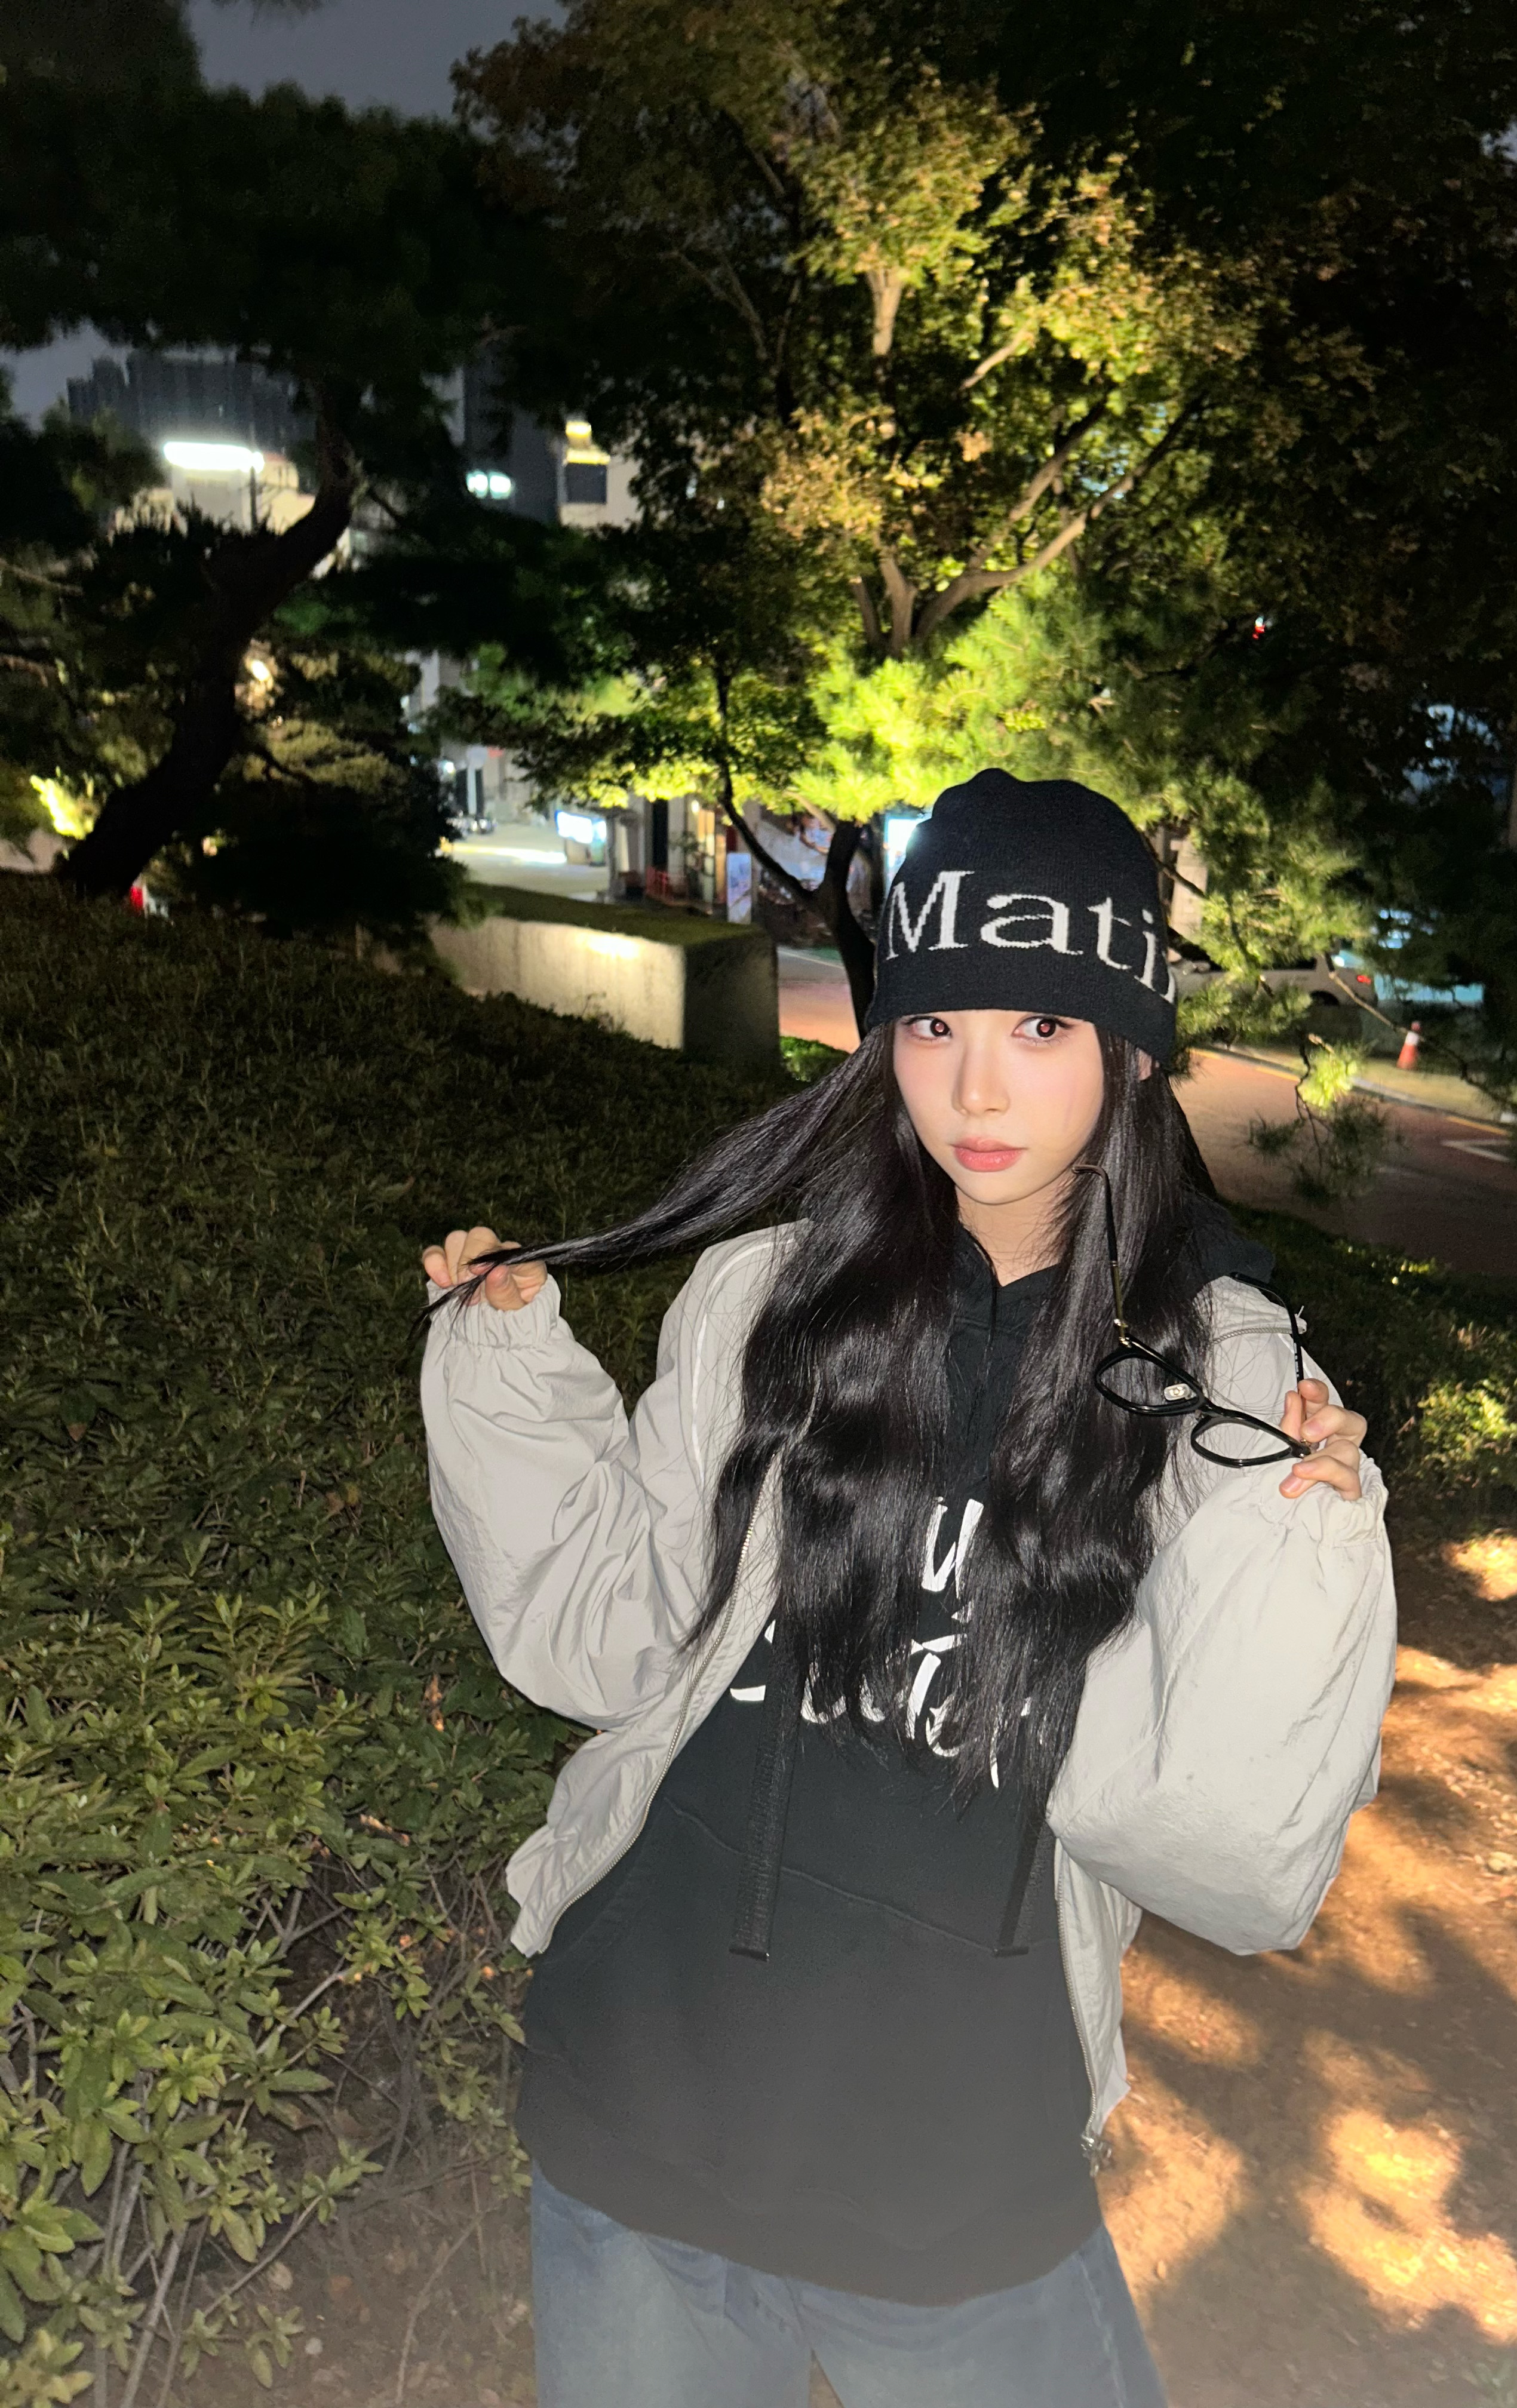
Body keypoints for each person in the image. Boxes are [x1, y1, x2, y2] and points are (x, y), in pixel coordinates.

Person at [420, 768, 1397, 2408]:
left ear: (1131, 1051)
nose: (976, 1086)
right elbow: (614, 1635)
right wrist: (506, 1373)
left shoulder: (1220, 1379)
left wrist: (1308, 1542)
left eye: (1041, 1027)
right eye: (935, 1024)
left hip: (960, 2187)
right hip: (640, 2123)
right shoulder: (766, 1299)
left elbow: (1233, 1857)